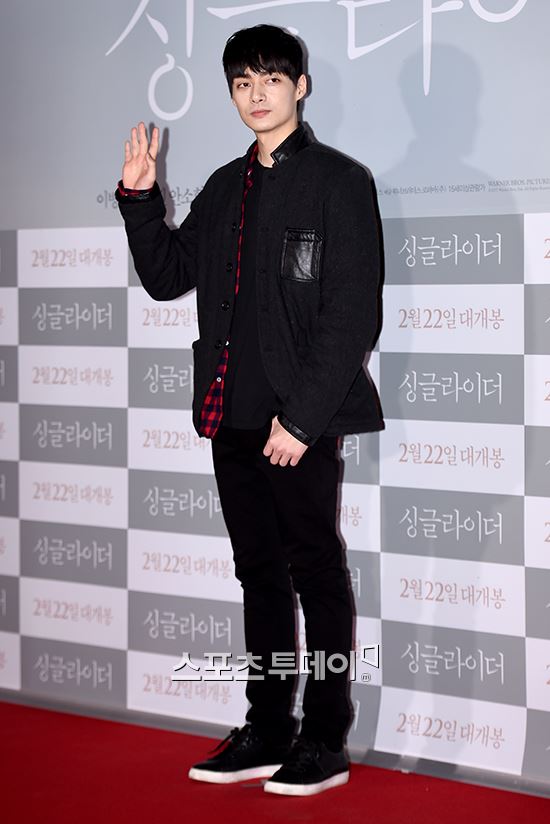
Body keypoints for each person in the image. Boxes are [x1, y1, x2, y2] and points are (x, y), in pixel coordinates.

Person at [116, 23, 384, 797]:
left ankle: (324, 739)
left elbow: (352, 313)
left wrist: (301, 421)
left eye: (271, 78)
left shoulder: (339, 181)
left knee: (316, 573)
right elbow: (169, 277)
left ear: (300, 86)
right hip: (230, 417)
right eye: (242, 82)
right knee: (259, 575)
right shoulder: (225, 186)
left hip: (297, 423)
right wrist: (139, 199)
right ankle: (267, 729)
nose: (256, 94)